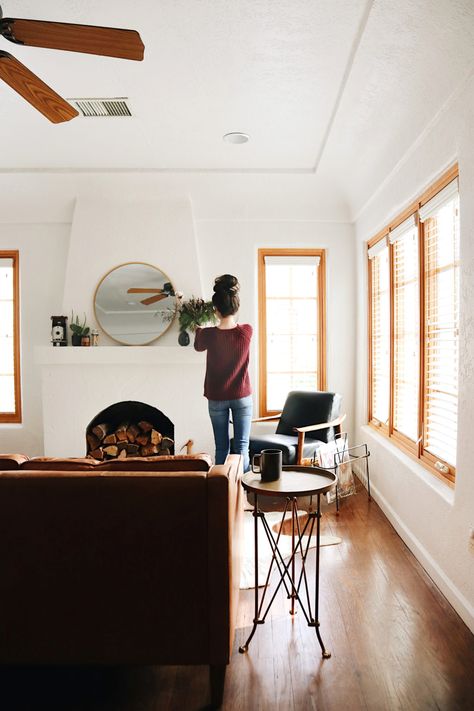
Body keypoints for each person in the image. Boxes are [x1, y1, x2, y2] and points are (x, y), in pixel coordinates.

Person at [194, 274, 253, 471]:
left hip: (217, 398)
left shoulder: (208, 335)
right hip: (242, 397)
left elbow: (198, 346)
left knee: (221, 448)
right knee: (242, 448)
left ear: (216, 310)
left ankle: (222, 493)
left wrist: (199, 329)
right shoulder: (246, 332)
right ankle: (241, 495)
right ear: (235, 306)